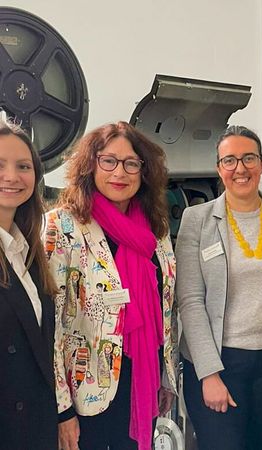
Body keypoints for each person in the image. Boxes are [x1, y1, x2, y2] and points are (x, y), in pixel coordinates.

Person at [45, 122, 178, 450]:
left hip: (143, 385)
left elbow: (166, 309)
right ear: (90, 165)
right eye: (109, 160)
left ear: (144, 171)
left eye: (131, 163)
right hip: (86, 397)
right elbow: (50, 325)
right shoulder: (63, 226)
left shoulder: (156, 231)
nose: (120, 172)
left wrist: (166, 378)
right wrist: (62, 411)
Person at [176, 125, 262, 449]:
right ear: (219, 169)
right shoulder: (197, 219)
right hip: (218, 362)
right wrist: (209, 374)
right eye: (230, 160)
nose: (240, 168)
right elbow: (190, 301)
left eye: (248, 158)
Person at [0, 120, 58, 449]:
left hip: (34, 428)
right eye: (0, 165)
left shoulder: (30, 252)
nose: (12, 177)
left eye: (23, 166)